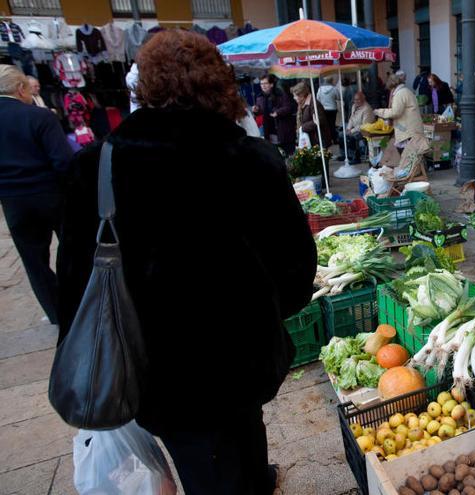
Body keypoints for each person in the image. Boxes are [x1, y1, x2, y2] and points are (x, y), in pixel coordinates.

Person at [56, 31, 316, 494]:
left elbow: (74, 285)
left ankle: (254, 480)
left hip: (156, 373)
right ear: (219, 84)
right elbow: (296, 275)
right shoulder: (251, 159)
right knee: (235, 442)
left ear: (145, 86)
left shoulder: (96, 167)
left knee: (209, 456)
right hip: (241, 359)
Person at [0, 64, 72, 325]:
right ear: (21, 89)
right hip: (50, 194)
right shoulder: (39, 116)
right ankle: (78, 301)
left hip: (13, 199)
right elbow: (63, 161)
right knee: (72, 248)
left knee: (33, 260)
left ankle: (56, 312)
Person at [253, 74, 297, 154]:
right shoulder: (260, 97)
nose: (263, 86)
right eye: (261, 84)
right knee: (275, 154)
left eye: (265, 83)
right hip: (269, 130)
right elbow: (260, 111)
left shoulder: (281, 94)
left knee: (288, 153)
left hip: (282, 129)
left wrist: (278, 112)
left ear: (271, 84)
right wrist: (256, 110)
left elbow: (289, 107)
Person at [291, 81, 332, 150]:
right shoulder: (302, 104)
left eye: (295, 95)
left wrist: (302, 128)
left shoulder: (314, 104)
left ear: (302, 95)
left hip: (318, 141)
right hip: (310, 140)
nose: (294, 98)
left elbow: (319, 120)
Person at [339, 91, 375, 163]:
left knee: (351, 136)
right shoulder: (354, 106)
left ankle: (355, 157)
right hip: (356, 128)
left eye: (358, 99)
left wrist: (351, 131)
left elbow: (364, 125)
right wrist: (348, 128)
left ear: (363, 99)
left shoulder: (367, 109)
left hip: (365, 130)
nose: (356, 101)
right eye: (355, 99)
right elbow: (351, 119)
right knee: (340, 134)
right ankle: (345, 154)